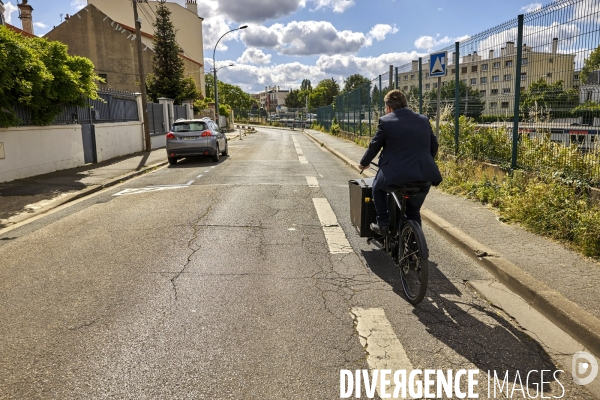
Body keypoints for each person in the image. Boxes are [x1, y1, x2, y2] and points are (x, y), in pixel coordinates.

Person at [358, 89, 442, 236]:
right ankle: (414, 242)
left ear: (389, 107)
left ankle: (383, 223)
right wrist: (425, 161)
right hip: (424, 175)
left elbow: (374, 146)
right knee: (413, 212)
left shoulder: (386, 121)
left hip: (396, 175)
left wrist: (364, 162)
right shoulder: (423, 120)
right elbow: (434, 146)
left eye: (385, 108)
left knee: (377, 188)